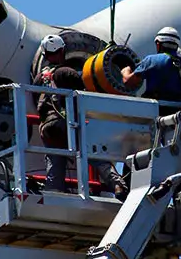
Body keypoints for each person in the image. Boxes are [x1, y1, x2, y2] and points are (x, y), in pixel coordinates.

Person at [32, 34, 128, 200]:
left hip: (46, 127)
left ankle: (54, 193)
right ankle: (116, 184)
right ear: (62, 51)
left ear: (46, 55)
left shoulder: (39, 79)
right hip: (64, 122)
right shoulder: (66, 72)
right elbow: (83, 96)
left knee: (54, 159)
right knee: (91, 150)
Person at [121, 27, 181, 106]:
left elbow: (128, 81)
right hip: (177, 110)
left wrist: (125, 70)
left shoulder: (151, 60)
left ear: (158, 44)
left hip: (155, 109)